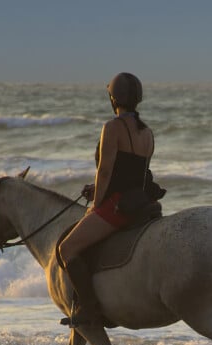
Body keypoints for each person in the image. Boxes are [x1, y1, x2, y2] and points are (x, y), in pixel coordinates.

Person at [57, 72, 155, 327]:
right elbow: (134, 175)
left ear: (113, 99)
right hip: (141, 202)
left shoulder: (112, 128)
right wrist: (96, 187)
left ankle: (89, 309)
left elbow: (107, 170)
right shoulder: (148, 134)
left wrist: (97, 204)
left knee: (65, 249)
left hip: (118, 206)